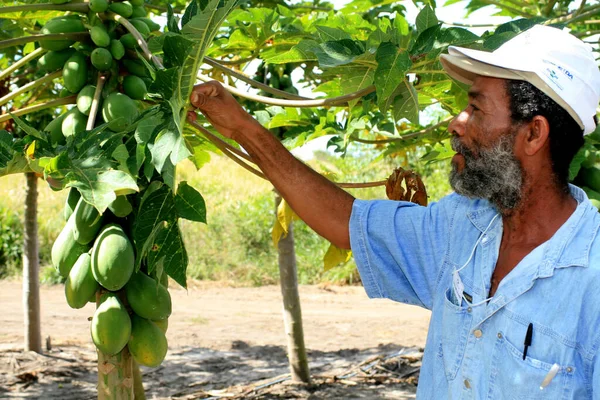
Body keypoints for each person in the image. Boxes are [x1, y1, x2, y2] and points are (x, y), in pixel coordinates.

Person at [190, 24, 600, 399]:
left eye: (475, 109)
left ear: (533, 134)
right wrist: (243, 128)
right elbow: (347, 222)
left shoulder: (592, 281)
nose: (456, 124)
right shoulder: (461, 225)